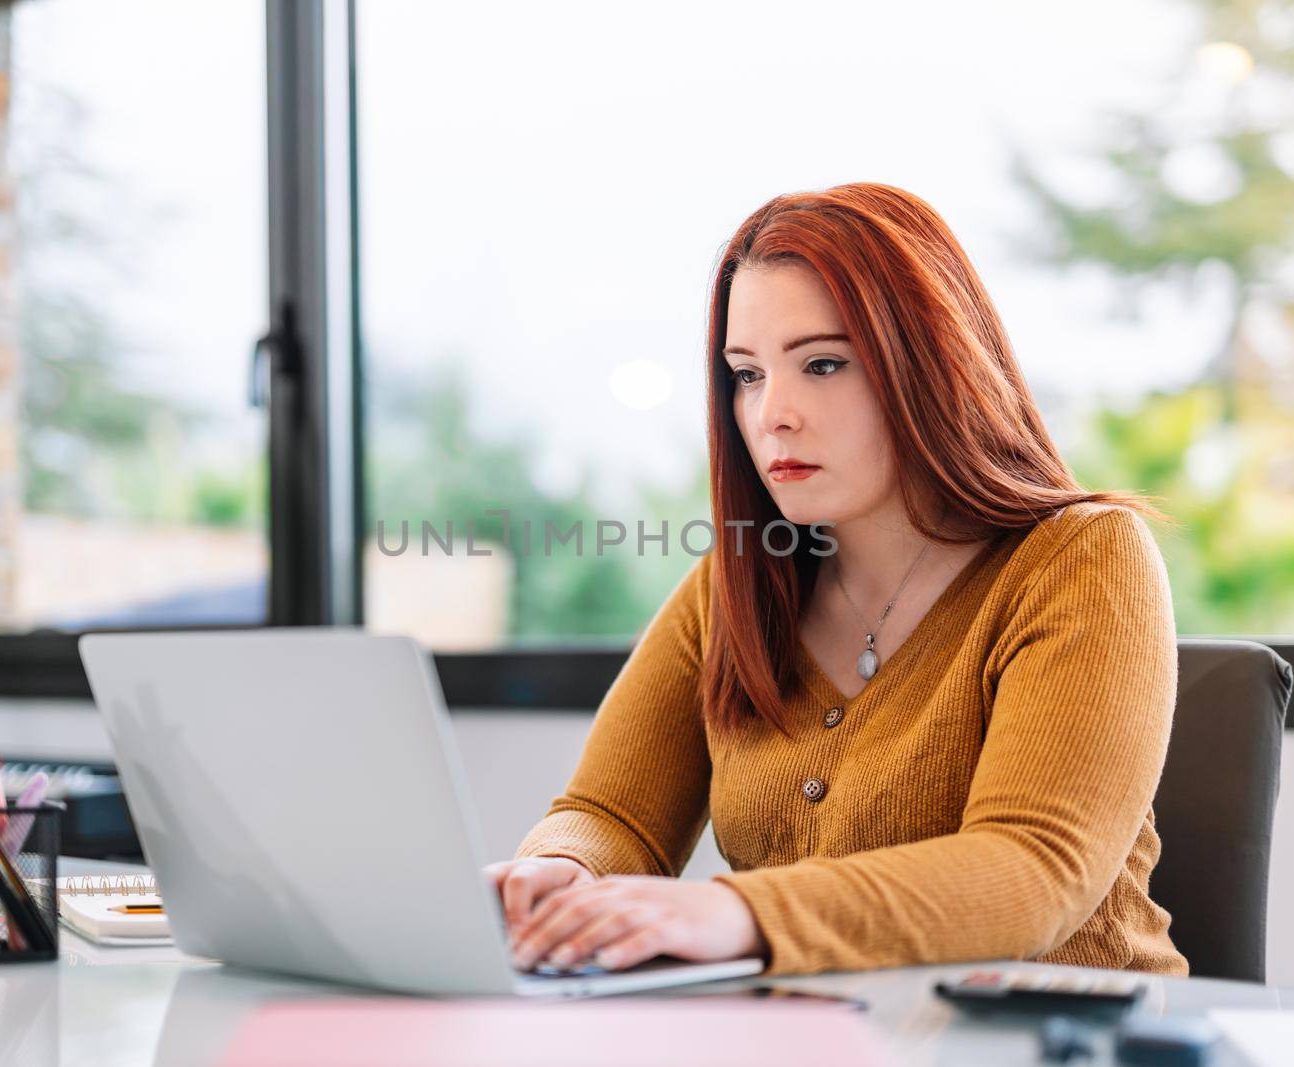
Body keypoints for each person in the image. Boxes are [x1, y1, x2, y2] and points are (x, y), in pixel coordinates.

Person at [482, 182, 1188, 979]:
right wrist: (561, 873)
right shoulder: (734, 584)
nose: (772, 413)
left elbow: (1033, 871)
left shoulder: (1083, 559)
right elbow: (612, 815)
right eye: (746, 374)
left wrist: (739, 910)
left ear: (932, 361)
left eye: (822, 364)